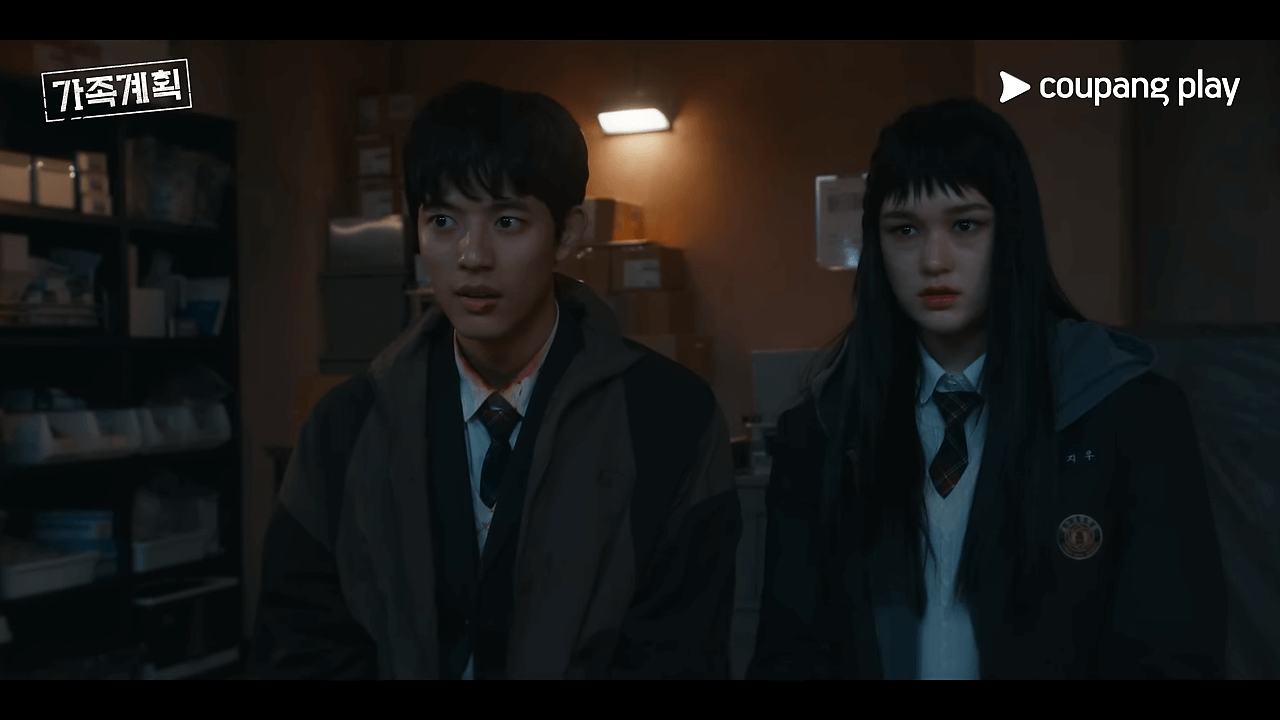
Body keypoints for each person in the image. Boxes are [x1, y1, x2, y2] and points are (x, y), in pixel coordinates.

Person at [250, 81, 742, 679]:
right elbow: (299, 641)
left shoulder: (670, 419)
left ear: (568, 233)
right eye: (442, 220)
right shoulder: (347, 428)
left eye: (507, 221)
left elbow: (681, 652)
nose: (471, 255)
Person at [746, 98, 1227, 680]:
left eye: (965, 225)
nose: (934, 260)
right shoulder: (822, 430)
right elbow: (790, 652)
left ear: (1013, 234)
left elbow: (1172, 653)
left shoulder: (1132, 415)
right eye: (905, 230)